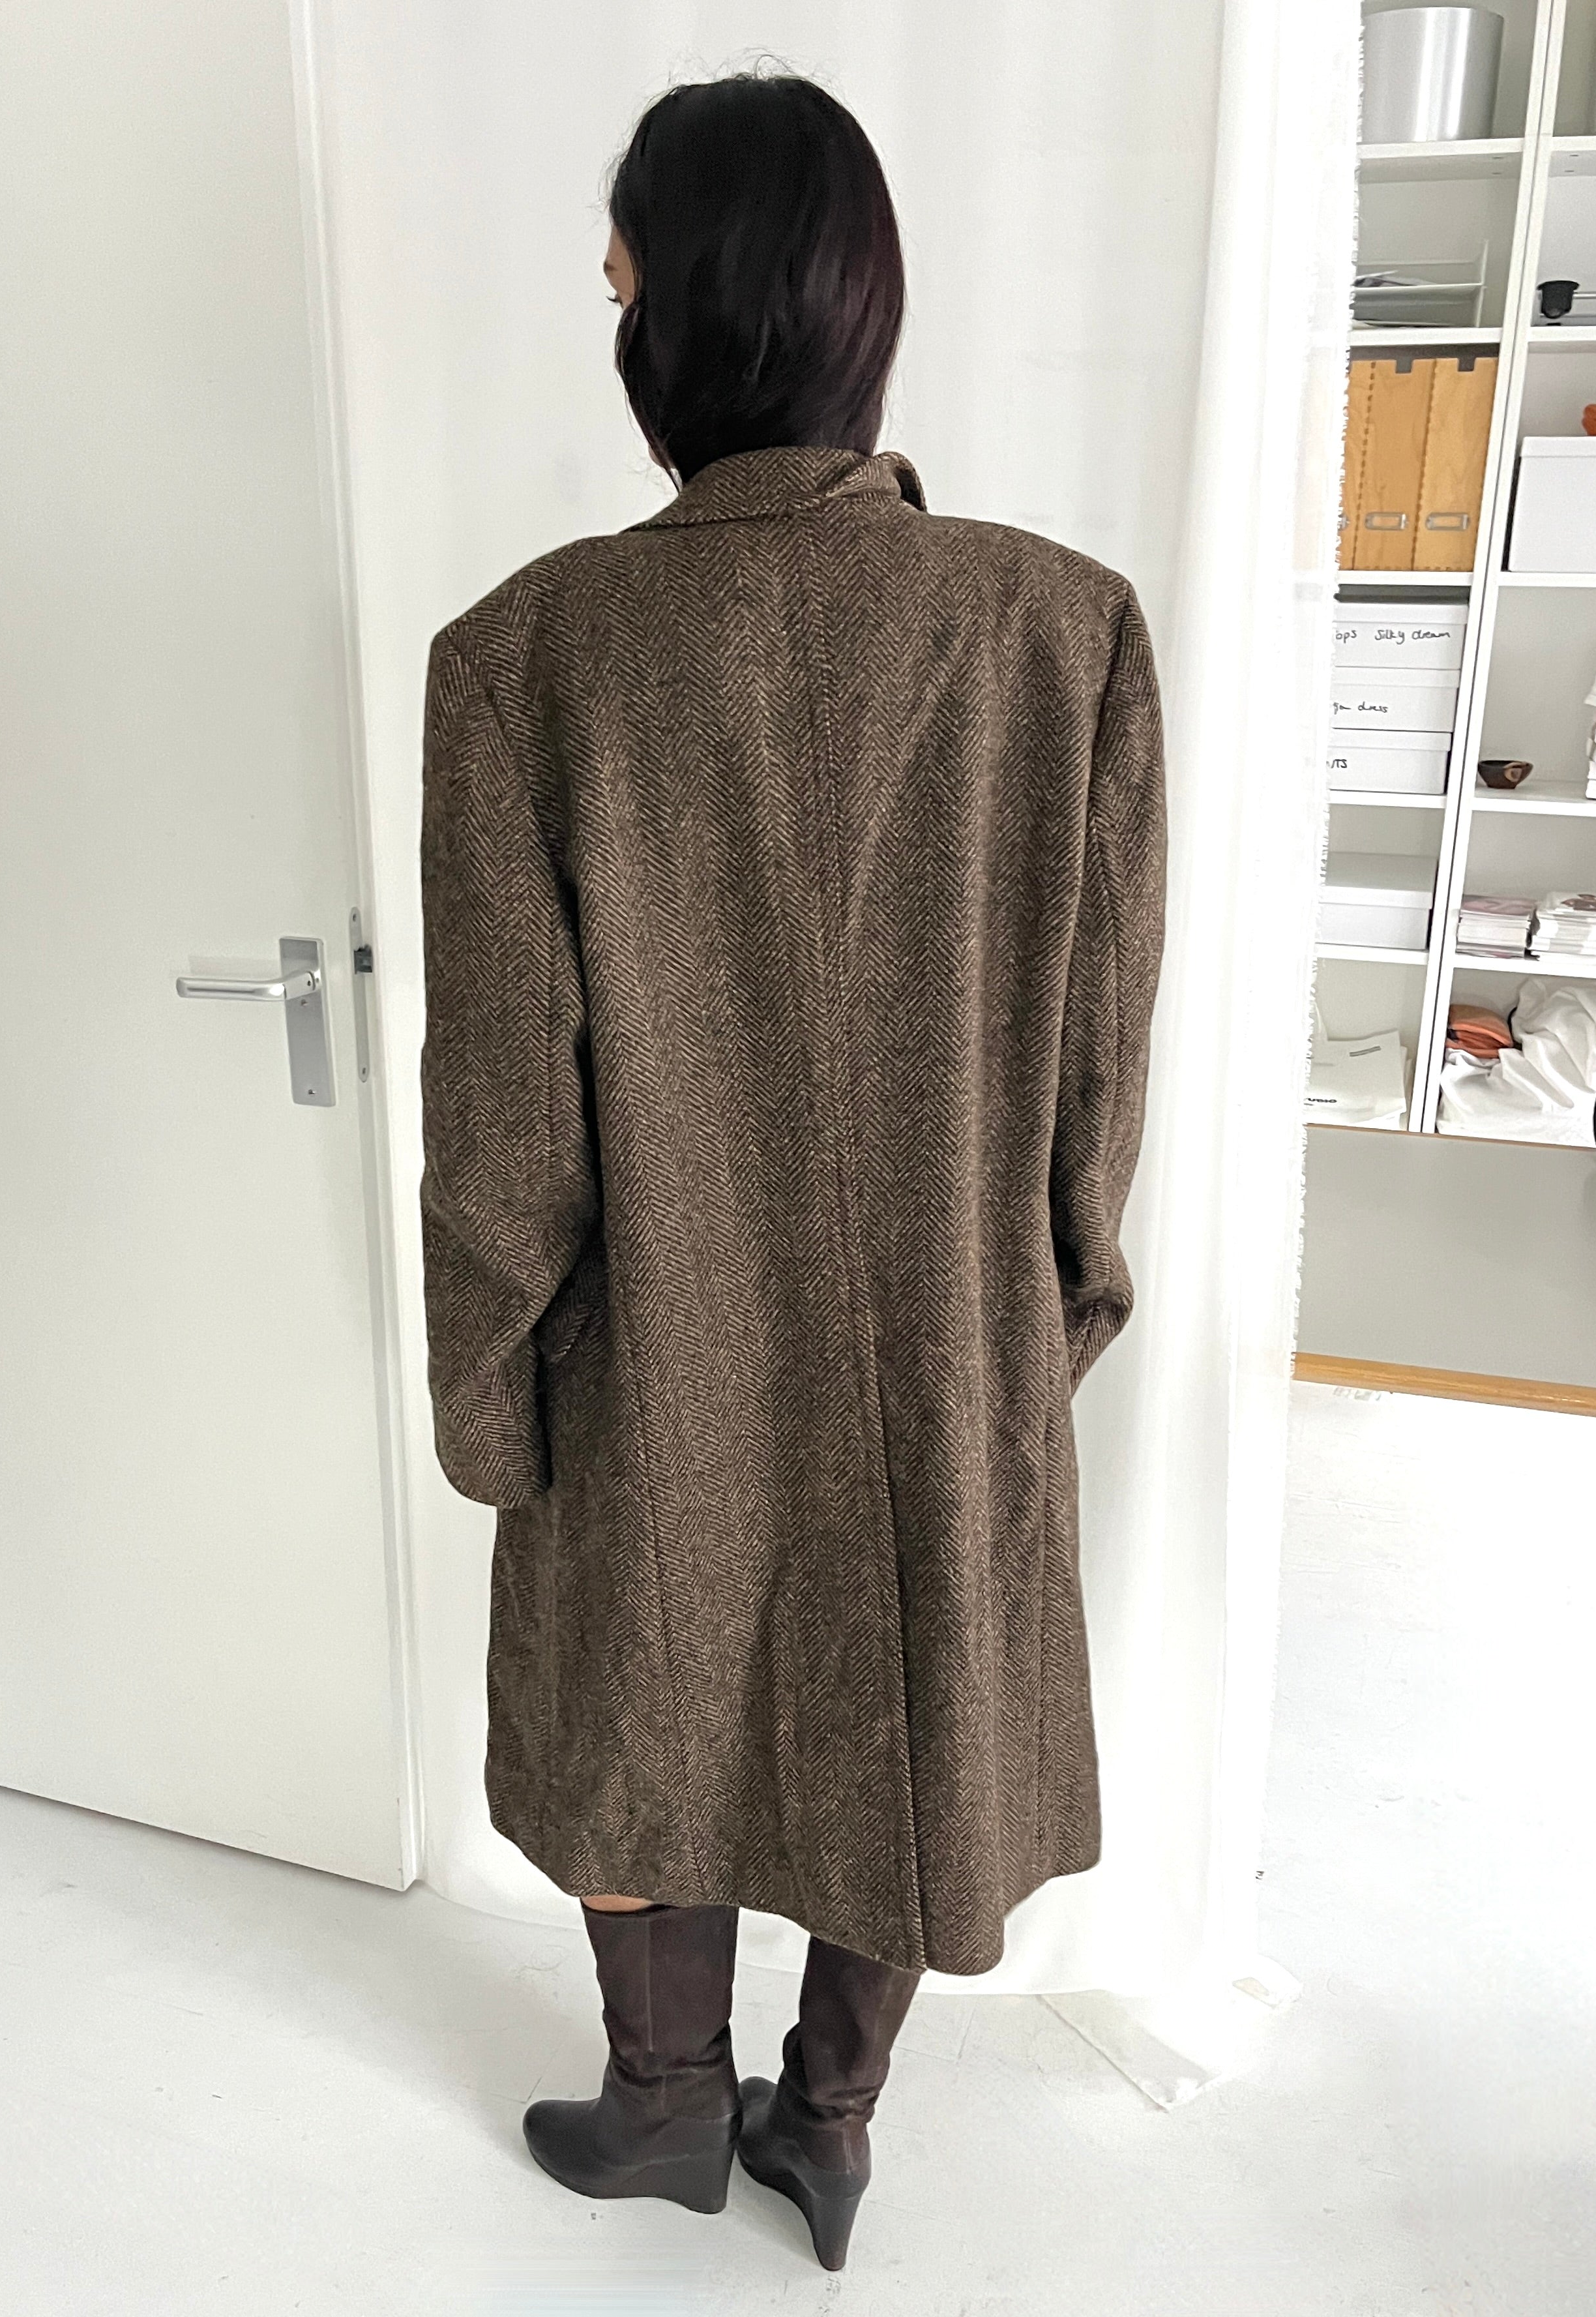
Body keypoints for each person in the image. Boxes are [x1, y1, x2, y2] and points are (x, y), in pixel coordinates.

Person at [419, 72, 1165, 2271]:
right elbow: (1098, 1058)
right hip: (948, 1331)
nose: (615, 324)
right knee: (911, 1697)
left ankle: (664, 2099)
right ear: (860, 309)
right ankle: (822, 2123)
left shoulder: (526, 656)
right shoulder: (1060, 628)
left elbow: (503, 1115)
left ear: (676, 316)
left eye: (618, 283)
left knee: (631, 1697)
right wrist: (1046, 1309)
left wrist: (493, 1393)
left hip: (649, 1340)